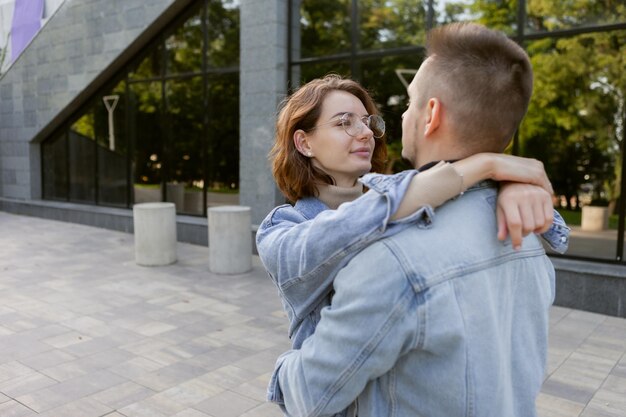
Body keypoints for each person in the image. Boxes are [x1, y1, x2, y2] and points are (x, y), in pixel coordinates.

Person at [268, 22, 562, 417]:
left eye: (369, 121)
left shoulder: (400, 246)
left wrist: (502, 178)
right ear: (303, 142)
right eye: (343, 123)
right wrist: (489, 165)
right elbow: (342, 230)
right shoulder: (284, 226)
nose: (367, 133)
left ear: (431, 115)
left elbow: (308, 393)